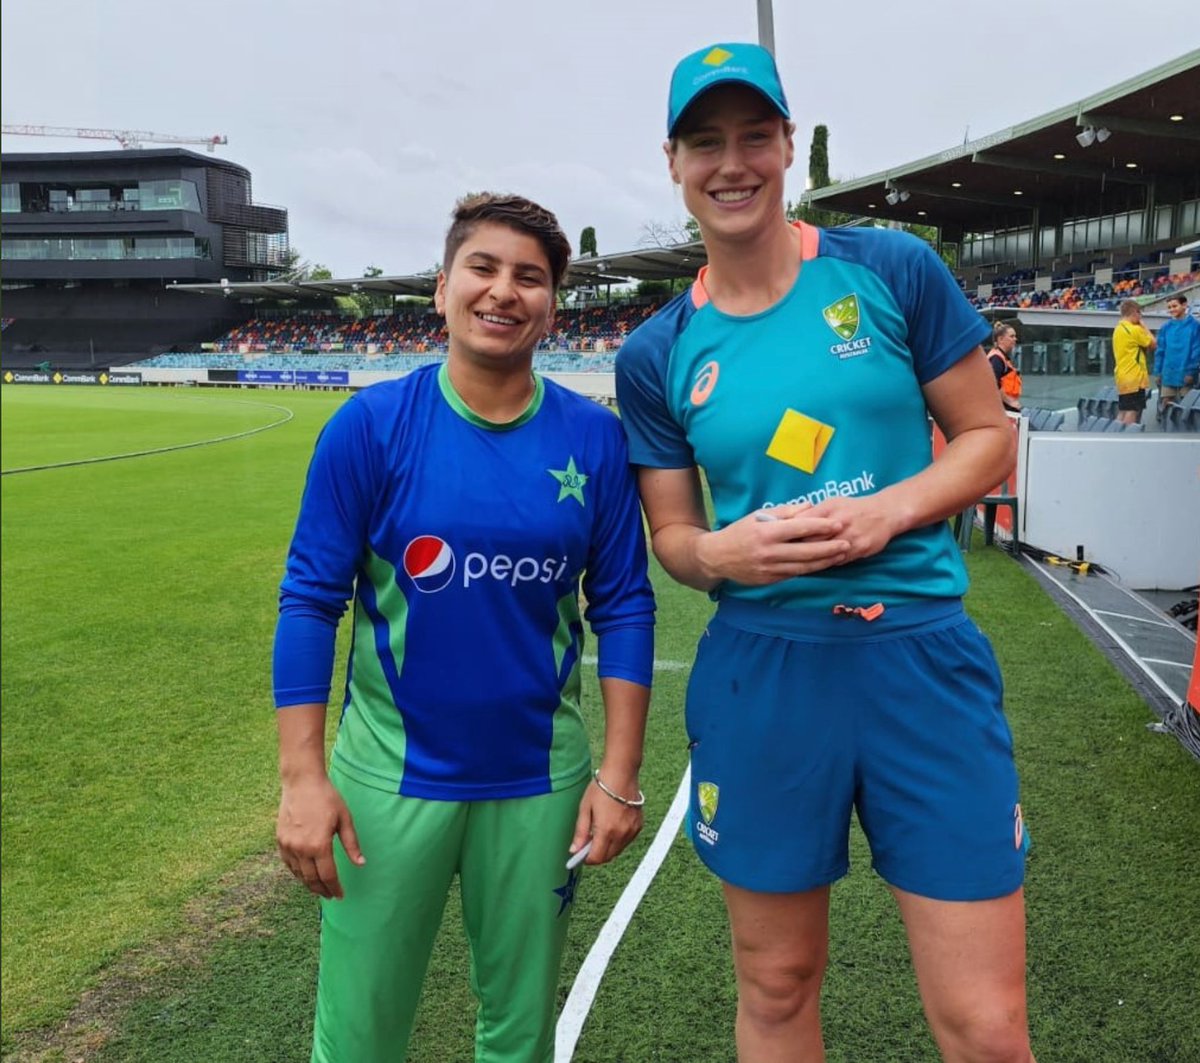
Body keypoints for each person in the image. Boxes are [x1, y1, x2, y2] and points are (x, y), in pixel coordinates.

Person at [616, 42, 1035, 1063]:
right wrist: (723, 551)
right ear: (673, 160)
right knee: (775, 984)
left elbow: (988, 438)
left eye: (754, 136)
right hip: (764, 668)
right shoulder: (657, 352)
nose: (733, 163)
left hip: (920, 657)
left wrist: (889, 512)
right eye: (705, 142)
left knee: (984, 1024)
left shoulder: (890, 268)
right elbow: (672, 536)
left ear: (788, 145)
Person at [274, 193, 655, 1063]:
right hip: (384, 778)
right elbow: (309, 600)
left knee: (518, 1033)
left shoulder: (593, 440)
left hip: (538, 782)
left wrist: (621, 774)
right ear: (443, 287)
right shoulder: (370, 427)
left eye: (530, 276)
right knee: (359, 1032)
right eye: (483, 268)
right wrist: (302, 778)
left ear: (554, 303)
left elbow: (625, 602)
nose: (503, 291)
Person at [1153, 293, 1200, 419]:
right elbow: (1160, 351)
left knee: (1187, 407)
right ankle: (1166, 430)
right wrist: (1157, 372)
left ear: (1184, 305)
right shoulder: (1165, 327)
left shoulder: (1195, 326)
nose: (1171, 309)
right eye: (1169, 307)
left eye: (1174, 306)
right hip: (1168, 373)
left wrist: (1191, 372)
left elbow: (1197, 351)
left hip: (1186, 373)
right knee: (1166, 404)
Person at [1111, 298, 1156, 425]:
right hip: (1134, 377)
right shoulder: (1134, 330)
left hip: (1122, 375)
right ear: (1135, 312)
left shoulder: (1118, 329)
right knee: (1132, 411)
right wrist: (1144, 326)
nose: (1140, 316)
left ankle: (1115, 435)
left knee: (1123, 410)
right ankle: (1126, 438)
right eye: (1140, 313)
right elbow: (1153, 344)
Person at [988, 320, 1022, 413]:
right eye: (1012, 336)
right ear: (1000, 339)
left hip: (1005, 408)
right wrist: (1010, 402)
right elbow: (993, 384)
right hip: (1001, 410)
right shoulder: (996, 359)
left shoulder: (1003, 357)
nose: (1015, 339)